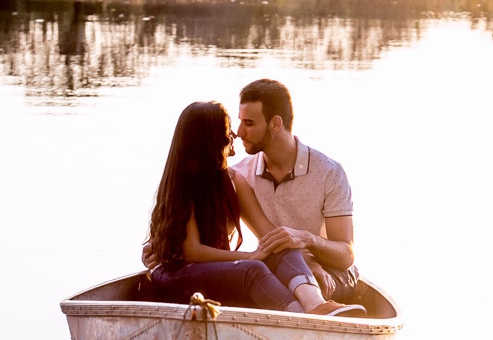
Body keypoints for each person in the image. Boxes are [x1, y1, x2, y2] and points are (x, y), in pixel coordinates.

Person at [146, 101, 352, 315]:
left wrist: (306, 260)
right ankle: (299, 317)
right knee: (253, 269)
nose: (234, 142)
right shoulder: (182, 183)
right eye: (227, 135)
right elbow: (192, 251)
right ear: (210, 140)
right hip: (178, 275)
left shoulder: (233, 180)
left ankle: (315, 304)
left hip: (213, 272)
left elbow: (269, 233)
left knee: (280, 242)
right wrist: (250, 256)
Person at [231, 78, 361, 305]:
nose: (239, 132)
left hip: (331, 273)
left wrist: (307, 240)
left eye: (249, 123)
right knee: (252, 283)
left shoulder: (328, 172)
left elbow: (345, 257)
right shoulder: (240, 175)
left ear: (275, 123)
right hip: (277, 267)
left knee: (307, 286)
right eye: (240, 121)